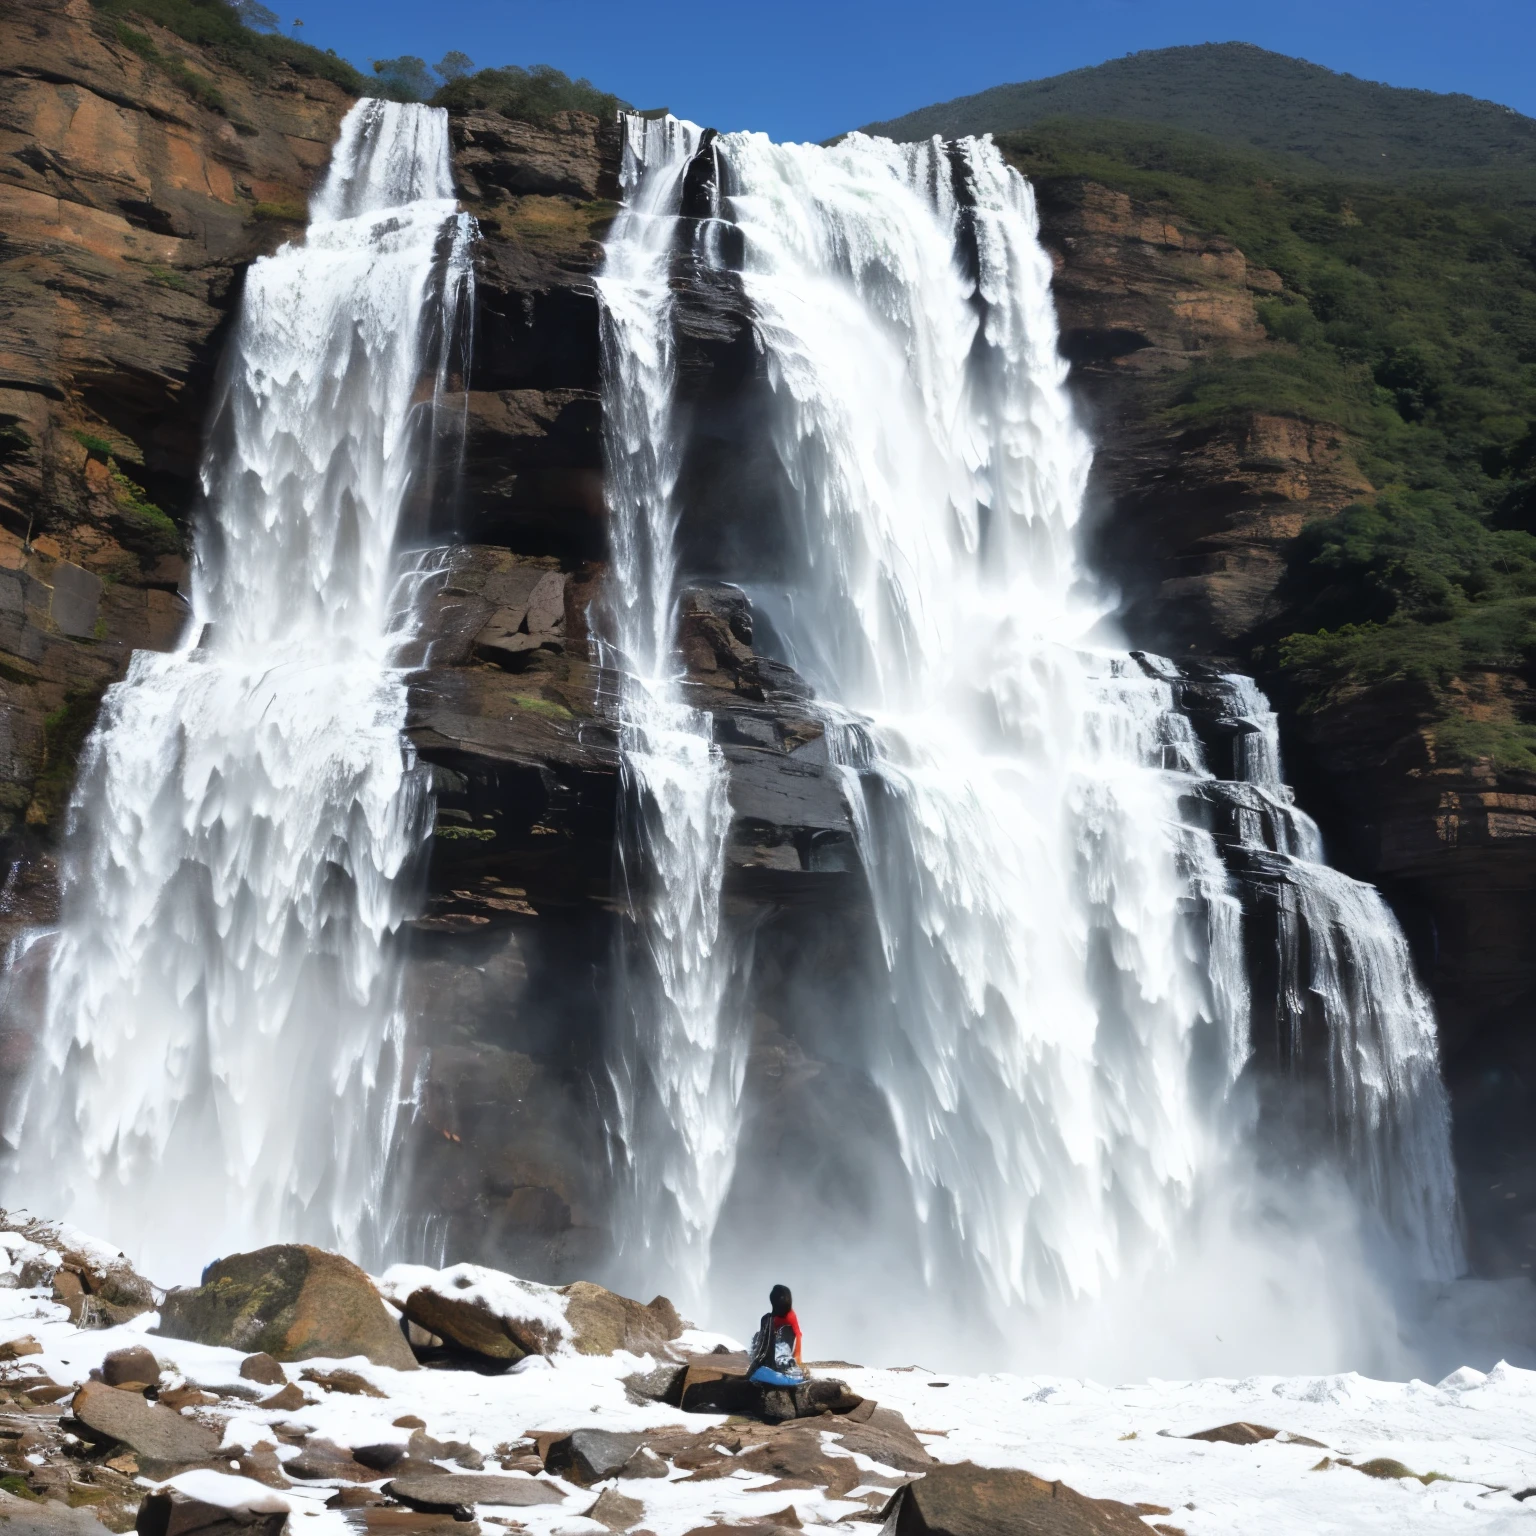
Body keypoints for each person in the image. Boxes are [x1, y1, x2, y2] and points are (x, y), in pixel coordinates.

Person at [746, 1283, 806, 1386]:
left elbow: (798, 1334)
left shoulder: (790, 1316)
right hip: (774, 1349)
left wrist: (797, 1356)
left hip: (782, 1350)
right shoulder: (771, 1318)